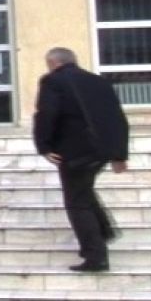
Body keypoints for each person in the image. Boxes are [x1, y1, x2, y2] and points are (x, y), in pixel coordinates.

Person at [33, 47, 130, 272]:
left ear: (53, 63)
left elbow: (46, 114)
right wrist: (119, 154)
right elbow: (116, 118)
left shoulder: (52, 81)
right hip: (101, 150)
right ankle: (103, 235)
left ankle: (96, 256)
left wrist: (44, 146)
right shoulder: (99, 82)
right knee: (83, 193)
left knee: (77, 202)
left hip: (74, 151)